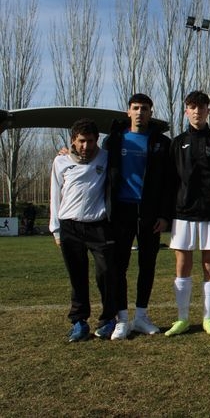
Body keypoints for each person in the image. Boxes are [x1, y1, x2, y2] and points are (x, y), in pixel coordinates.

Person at [104, 93, 172, 340]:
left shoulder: (162, 143)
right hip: (121, 211)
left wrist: (165, 216)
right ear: (128, 111)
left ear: (151, 112)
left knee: (148, 265)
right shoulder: (114, 141)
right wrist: (66, 153)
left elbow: (168, 183)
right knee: (119, 266)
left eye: (145, 108)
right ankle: (122, 319)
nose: (140, 112)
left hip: (150, 213)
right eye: (136, 108)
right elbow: (96, 166)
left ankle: (141, 316)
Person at [165, 91, 210, 337]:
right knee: (183, 264)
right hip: (183, 213)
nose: (197, 112)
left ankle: (208, 317)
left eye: (202, 107)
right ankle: (182, 318)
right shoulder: (177, 142)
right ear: (186, 111)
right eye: (192, 107)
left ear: (208, 110)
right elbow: (170, 180)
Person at [50, 118, 117, 342]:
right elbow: (55, 196)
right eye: (81, 141)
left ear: (97, 140)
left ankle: (108, 319)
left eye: (90, 141)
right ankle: (79, 322)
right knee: (77, 276)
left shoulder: (107, 158)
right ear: (73, 141)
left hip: (98, 225)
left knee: (105, 272)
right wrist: (56, 230)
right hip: (69, 226)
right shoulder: (60, 161)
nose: (85, 146)